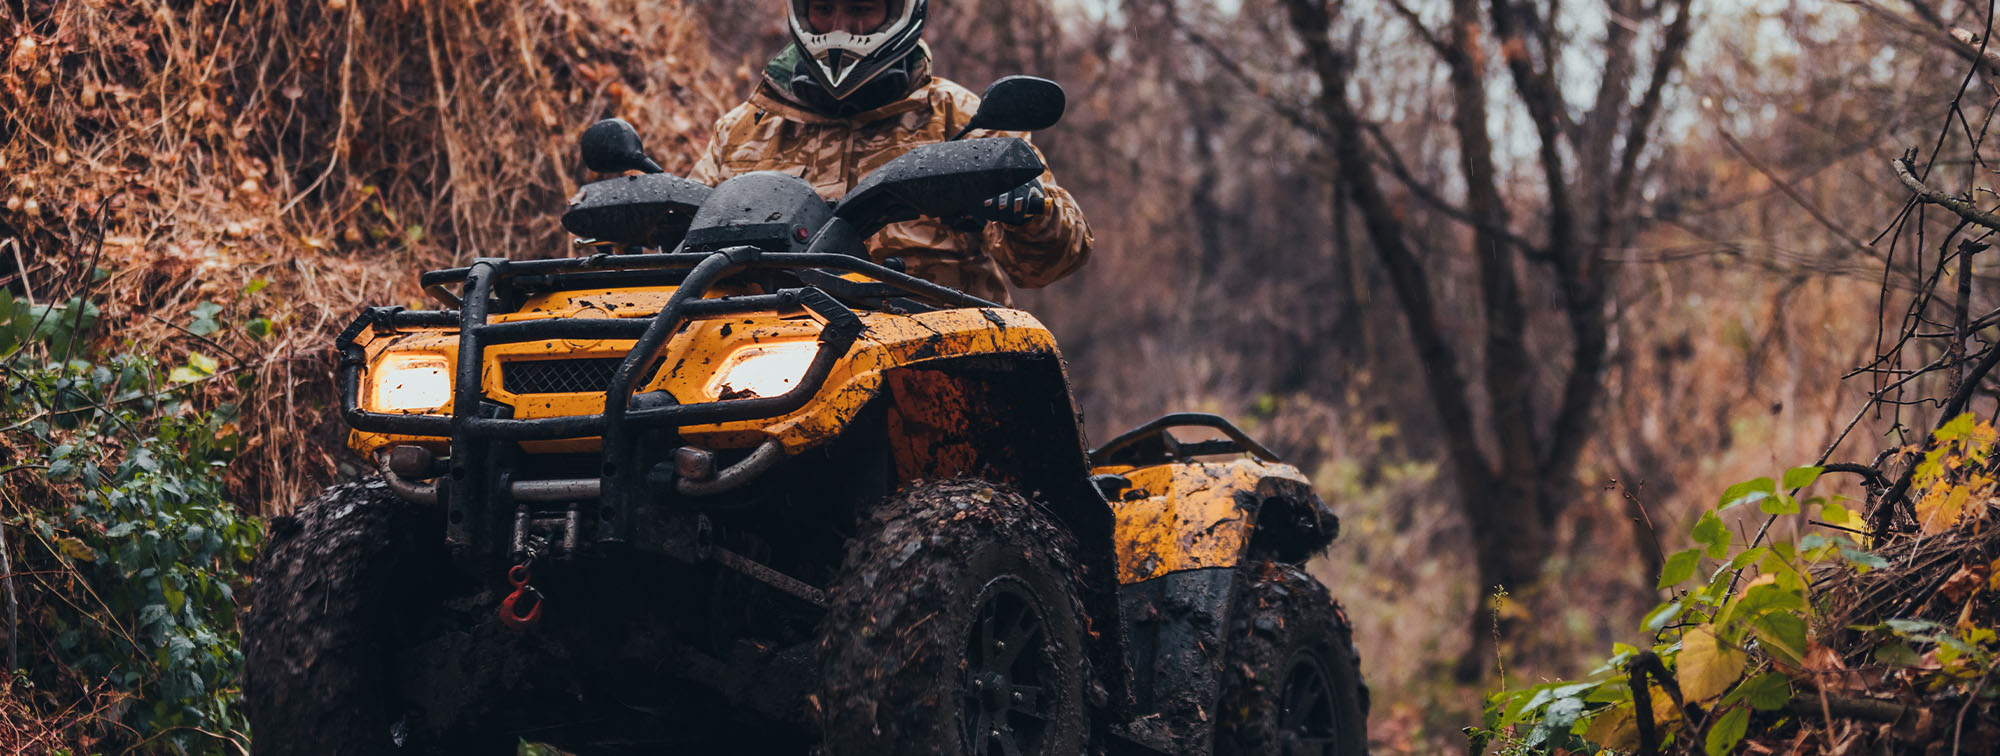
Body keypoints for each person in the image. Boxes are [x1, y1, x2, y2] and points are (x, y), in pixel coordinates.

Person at [690, 0, 1091, 305]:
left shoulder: (963, 120)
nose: (840, 29)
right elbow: (679, 251)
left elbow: (1048, 265)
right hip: (768, 360)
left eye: (861, 9)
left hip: (939, 362)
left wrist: (1032, 210)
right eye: (824, 9)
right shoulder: (743, 131)